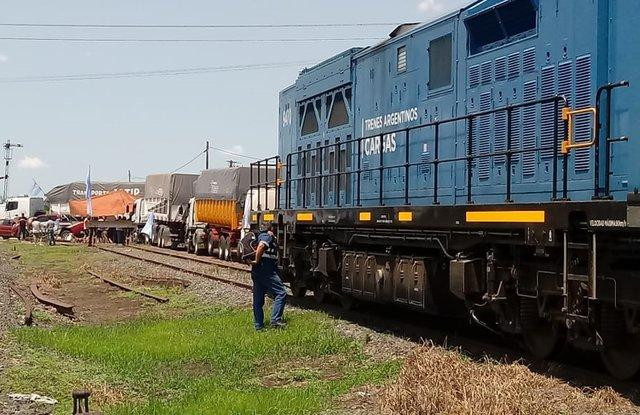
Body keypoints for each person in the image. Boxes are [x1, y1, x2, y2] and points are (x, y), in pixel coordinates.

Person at [250, 225, 287, 330]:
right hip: (266, 268)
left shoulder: (260, 235)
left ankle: (258, 326)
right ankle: (275, 320)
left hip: (257, 270)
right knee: (281, 293)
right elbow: (262, 246)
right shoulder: (267, 236)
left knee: (258, 300)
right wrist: (257, 260)